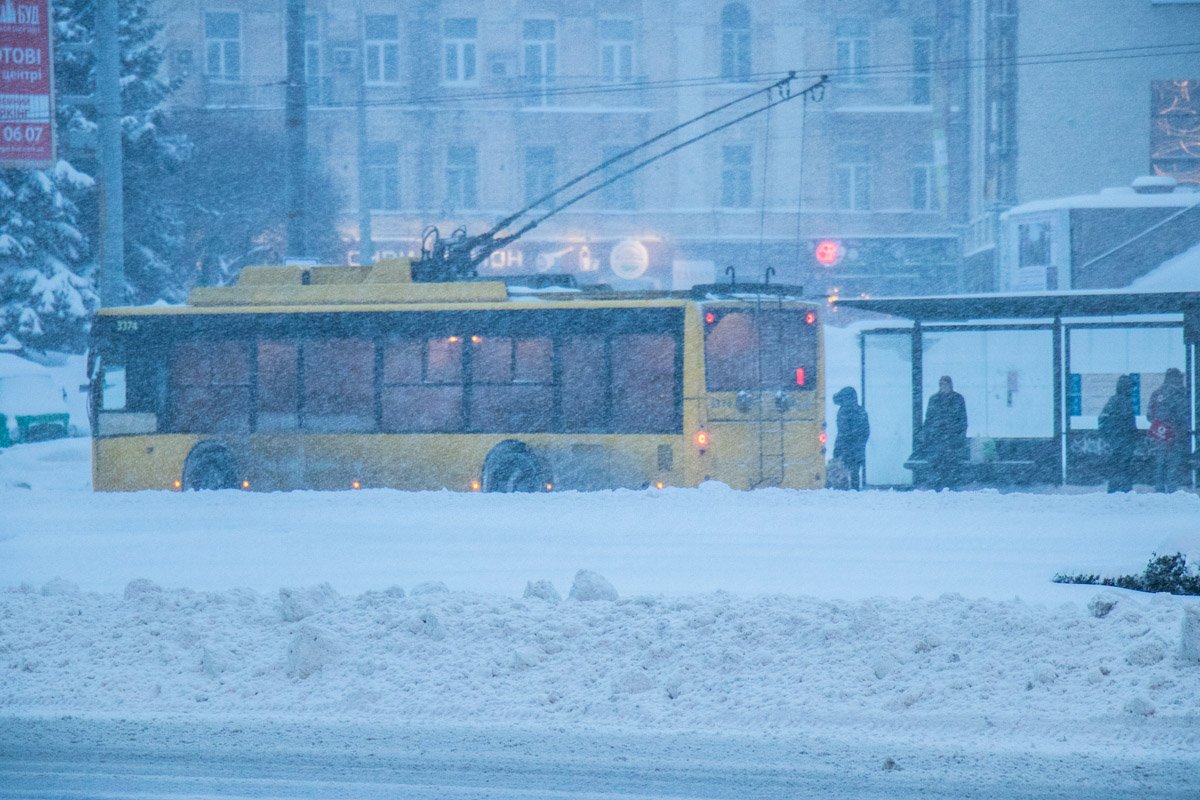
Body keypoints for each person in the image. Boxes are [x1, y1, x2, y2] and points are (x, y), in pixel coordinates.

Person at [1147, 367, 1189, 493]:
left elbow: (1149, 415)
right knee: (1173, 466)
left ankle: (1159, 490)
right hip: (1175, 435)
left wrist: (1160, 425)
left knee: (1159, 464)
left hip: (1158, 435)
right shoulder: (1180, 394)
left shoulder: (1156, 393)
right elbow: (1184, 415)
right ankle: (1172, 491)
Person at [922, 375, 968, 489]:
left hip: (952, 439)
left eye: (945, 384)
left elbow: (963, 419)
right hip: (937, 438)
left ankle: (951, 484)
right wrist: (928, 435)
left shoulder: (958, 399)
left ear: (950, 385)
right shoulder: (934, 399)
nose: (943, 387)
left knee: (951, 463)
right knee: (938, 463)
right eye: (941, 384)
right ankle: (938, 485)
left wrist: (959, 436)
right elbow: (928, 419)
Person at [1098, 374, 1139, 493]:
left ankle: (1115, 491)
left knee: (1117, 468)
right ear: (1125, 387)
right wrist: (1131, 435)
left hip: (1118, 441)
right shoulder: (1124, 401)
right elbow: (1129, 423)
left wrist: (1109, 436)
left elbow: (1102, 420)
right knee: (1124, 467)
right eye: (1130, 387)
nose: (1132, 390)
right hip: (1124, 441)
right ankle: (1123, 492)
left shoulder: (1114, 400)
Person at [832, 386, 870, 490]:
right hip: (857, 450)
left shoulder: (843, 411)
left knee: (842, 474)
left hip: (845, 449)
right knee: (855, 473)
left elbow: (842, 433)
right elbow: (866, 432)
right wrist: (859, 445)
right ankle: (854, 492)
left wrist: (838, 449)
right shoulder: (861, 411)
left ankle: (844, 492)